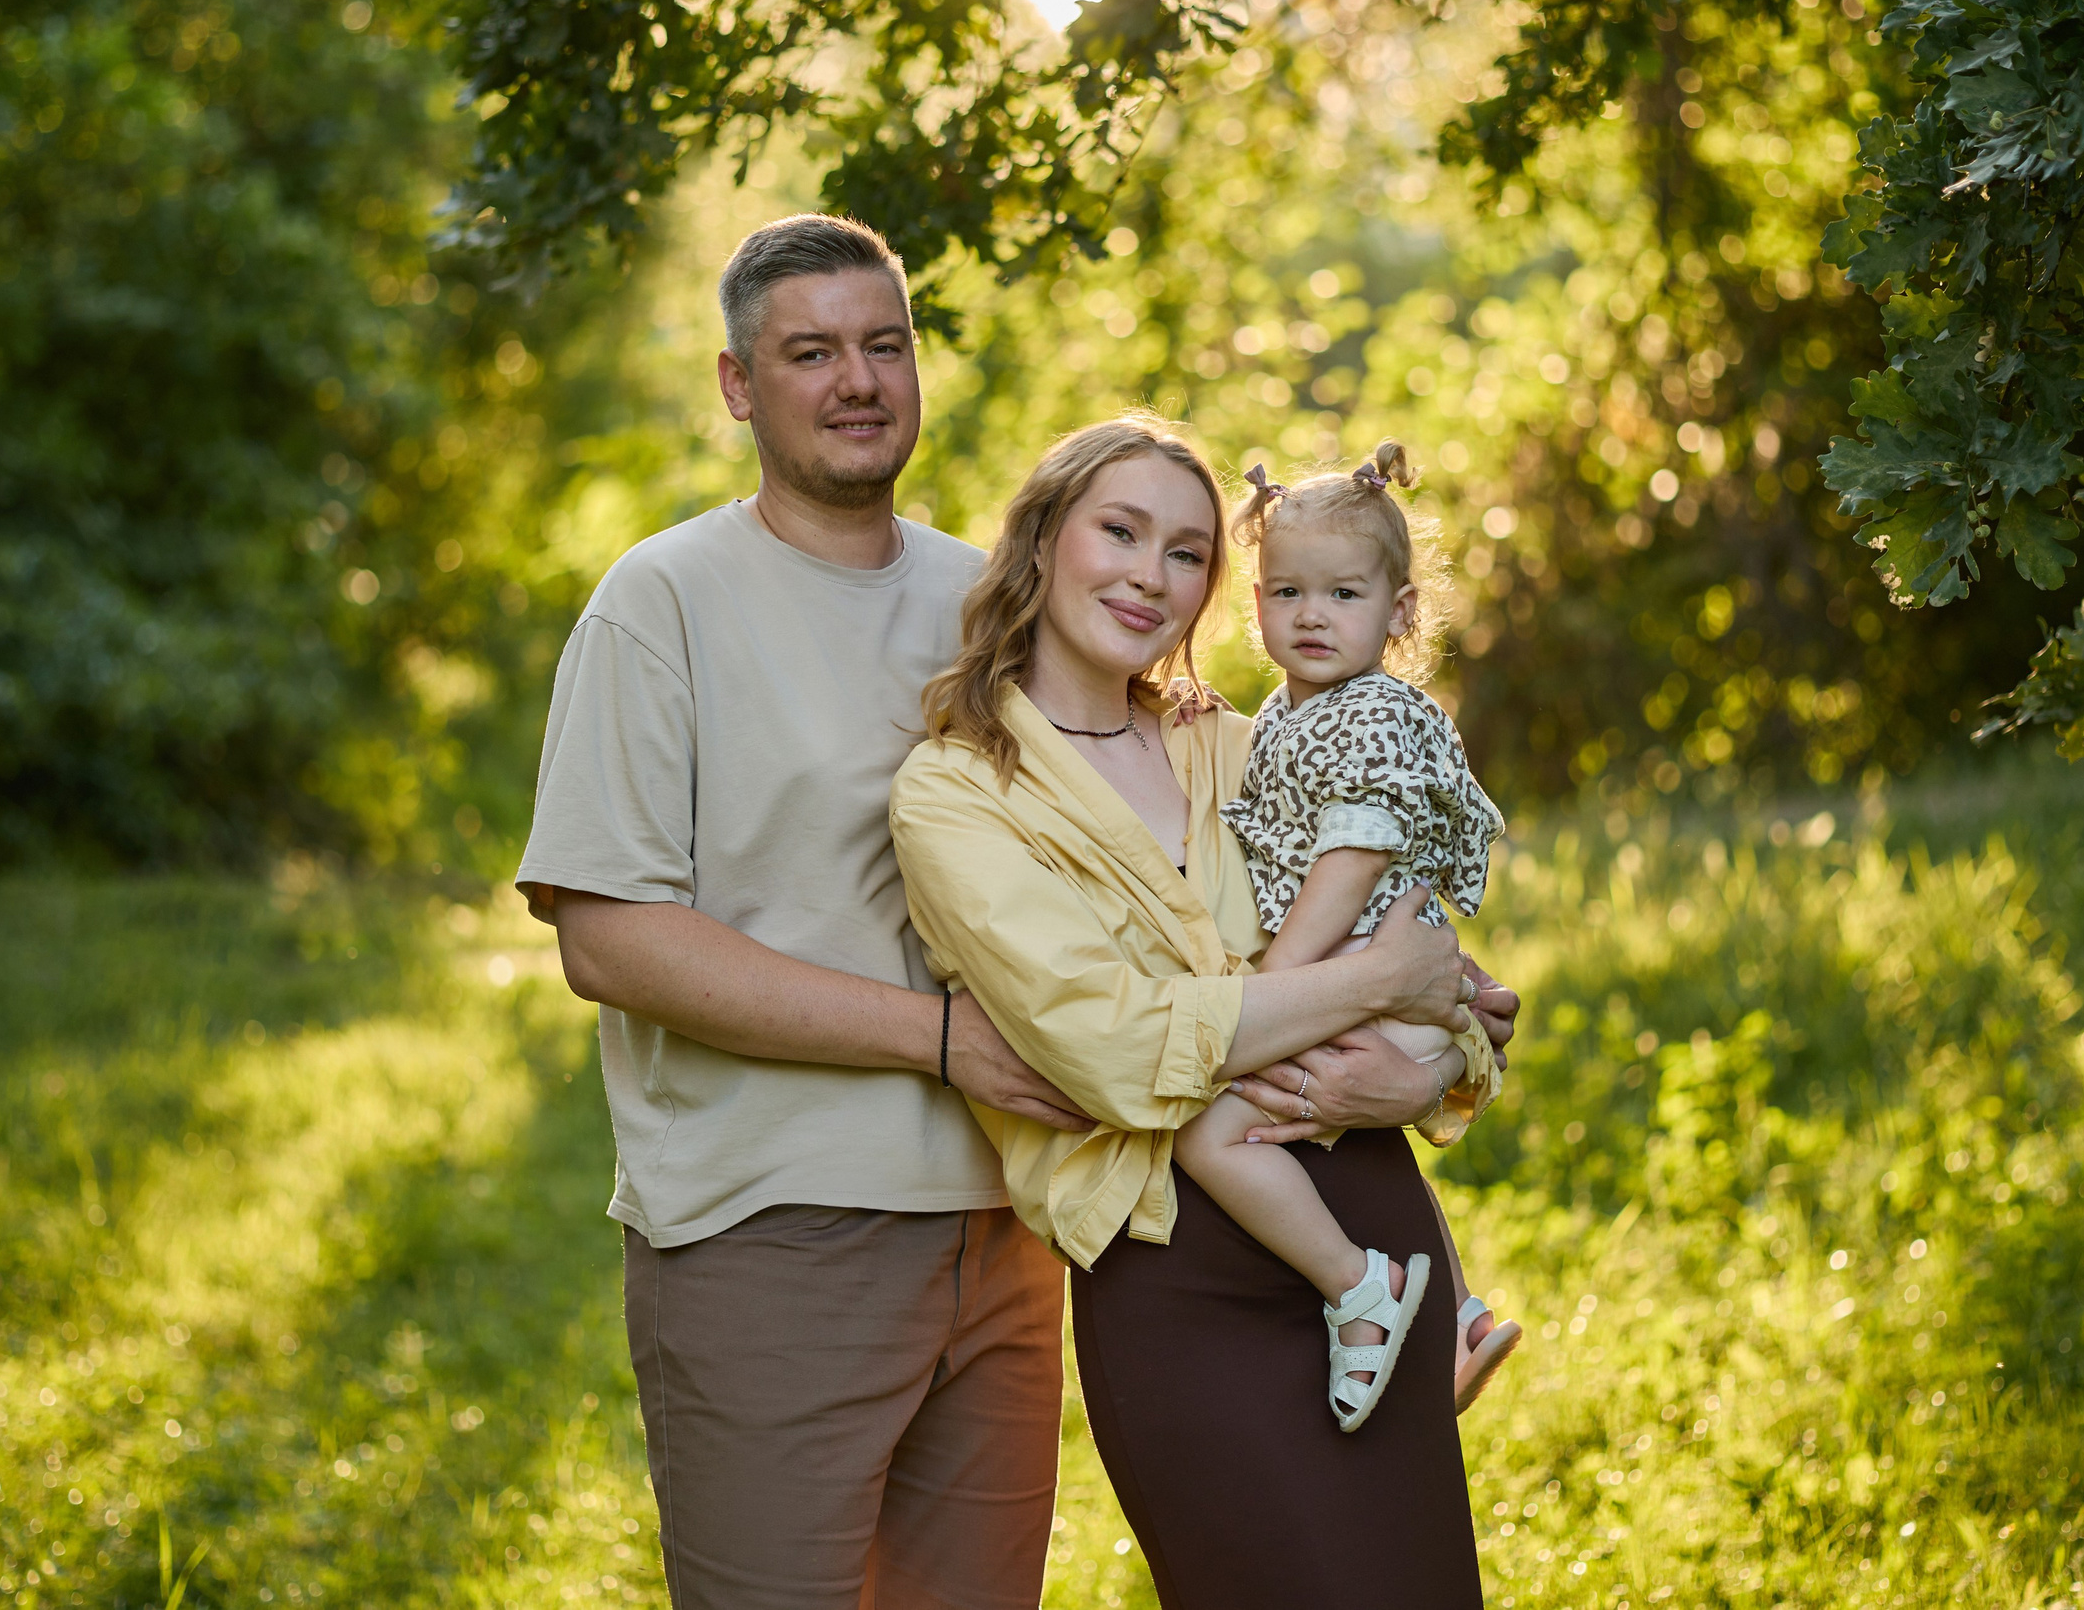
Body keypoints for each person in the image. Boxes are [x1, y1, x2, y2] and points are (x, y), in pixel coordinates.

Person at [513, 214, 1100, 1610]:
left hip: (1006, 1228)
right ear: (737, 386)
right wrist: (937, 1040)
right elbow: (611, 934)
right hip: (768, 1232)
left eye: (883, 345)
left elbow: (1142, 846)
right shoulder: (660, 604)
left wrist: (1393, 967)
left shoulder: (993, 602)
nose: (856, 379)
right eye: (811, 351)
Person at [888, 415, 1500, 1610]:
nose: (1148, 574)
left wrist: (1433, 1069)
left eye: (1185, 553)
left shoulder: (1250, 740)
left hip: (1373, 1230)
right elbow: (1112, 1048)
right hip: (1173, 1257)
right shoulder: (957, 791)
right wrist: (1370, 991)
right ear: (1039, 540)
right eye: (1119, 530)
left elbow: (1433, 955)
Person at [1171, 441, 1524, 1429]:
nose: (1311, 614)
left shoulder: (1365, 713)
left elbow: (1353, 859)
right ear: (1254, 604)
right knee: (1358, 1150)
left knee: (1213, 1129)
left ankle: (1357, 1288)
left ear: (1399, 613)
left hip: (1362, 979)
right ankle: (1458, 1312)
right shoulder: (1293, 711)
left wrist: (1272, 986)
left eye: (1341, 592)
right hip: (1385, 985)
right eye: (1286, 591)